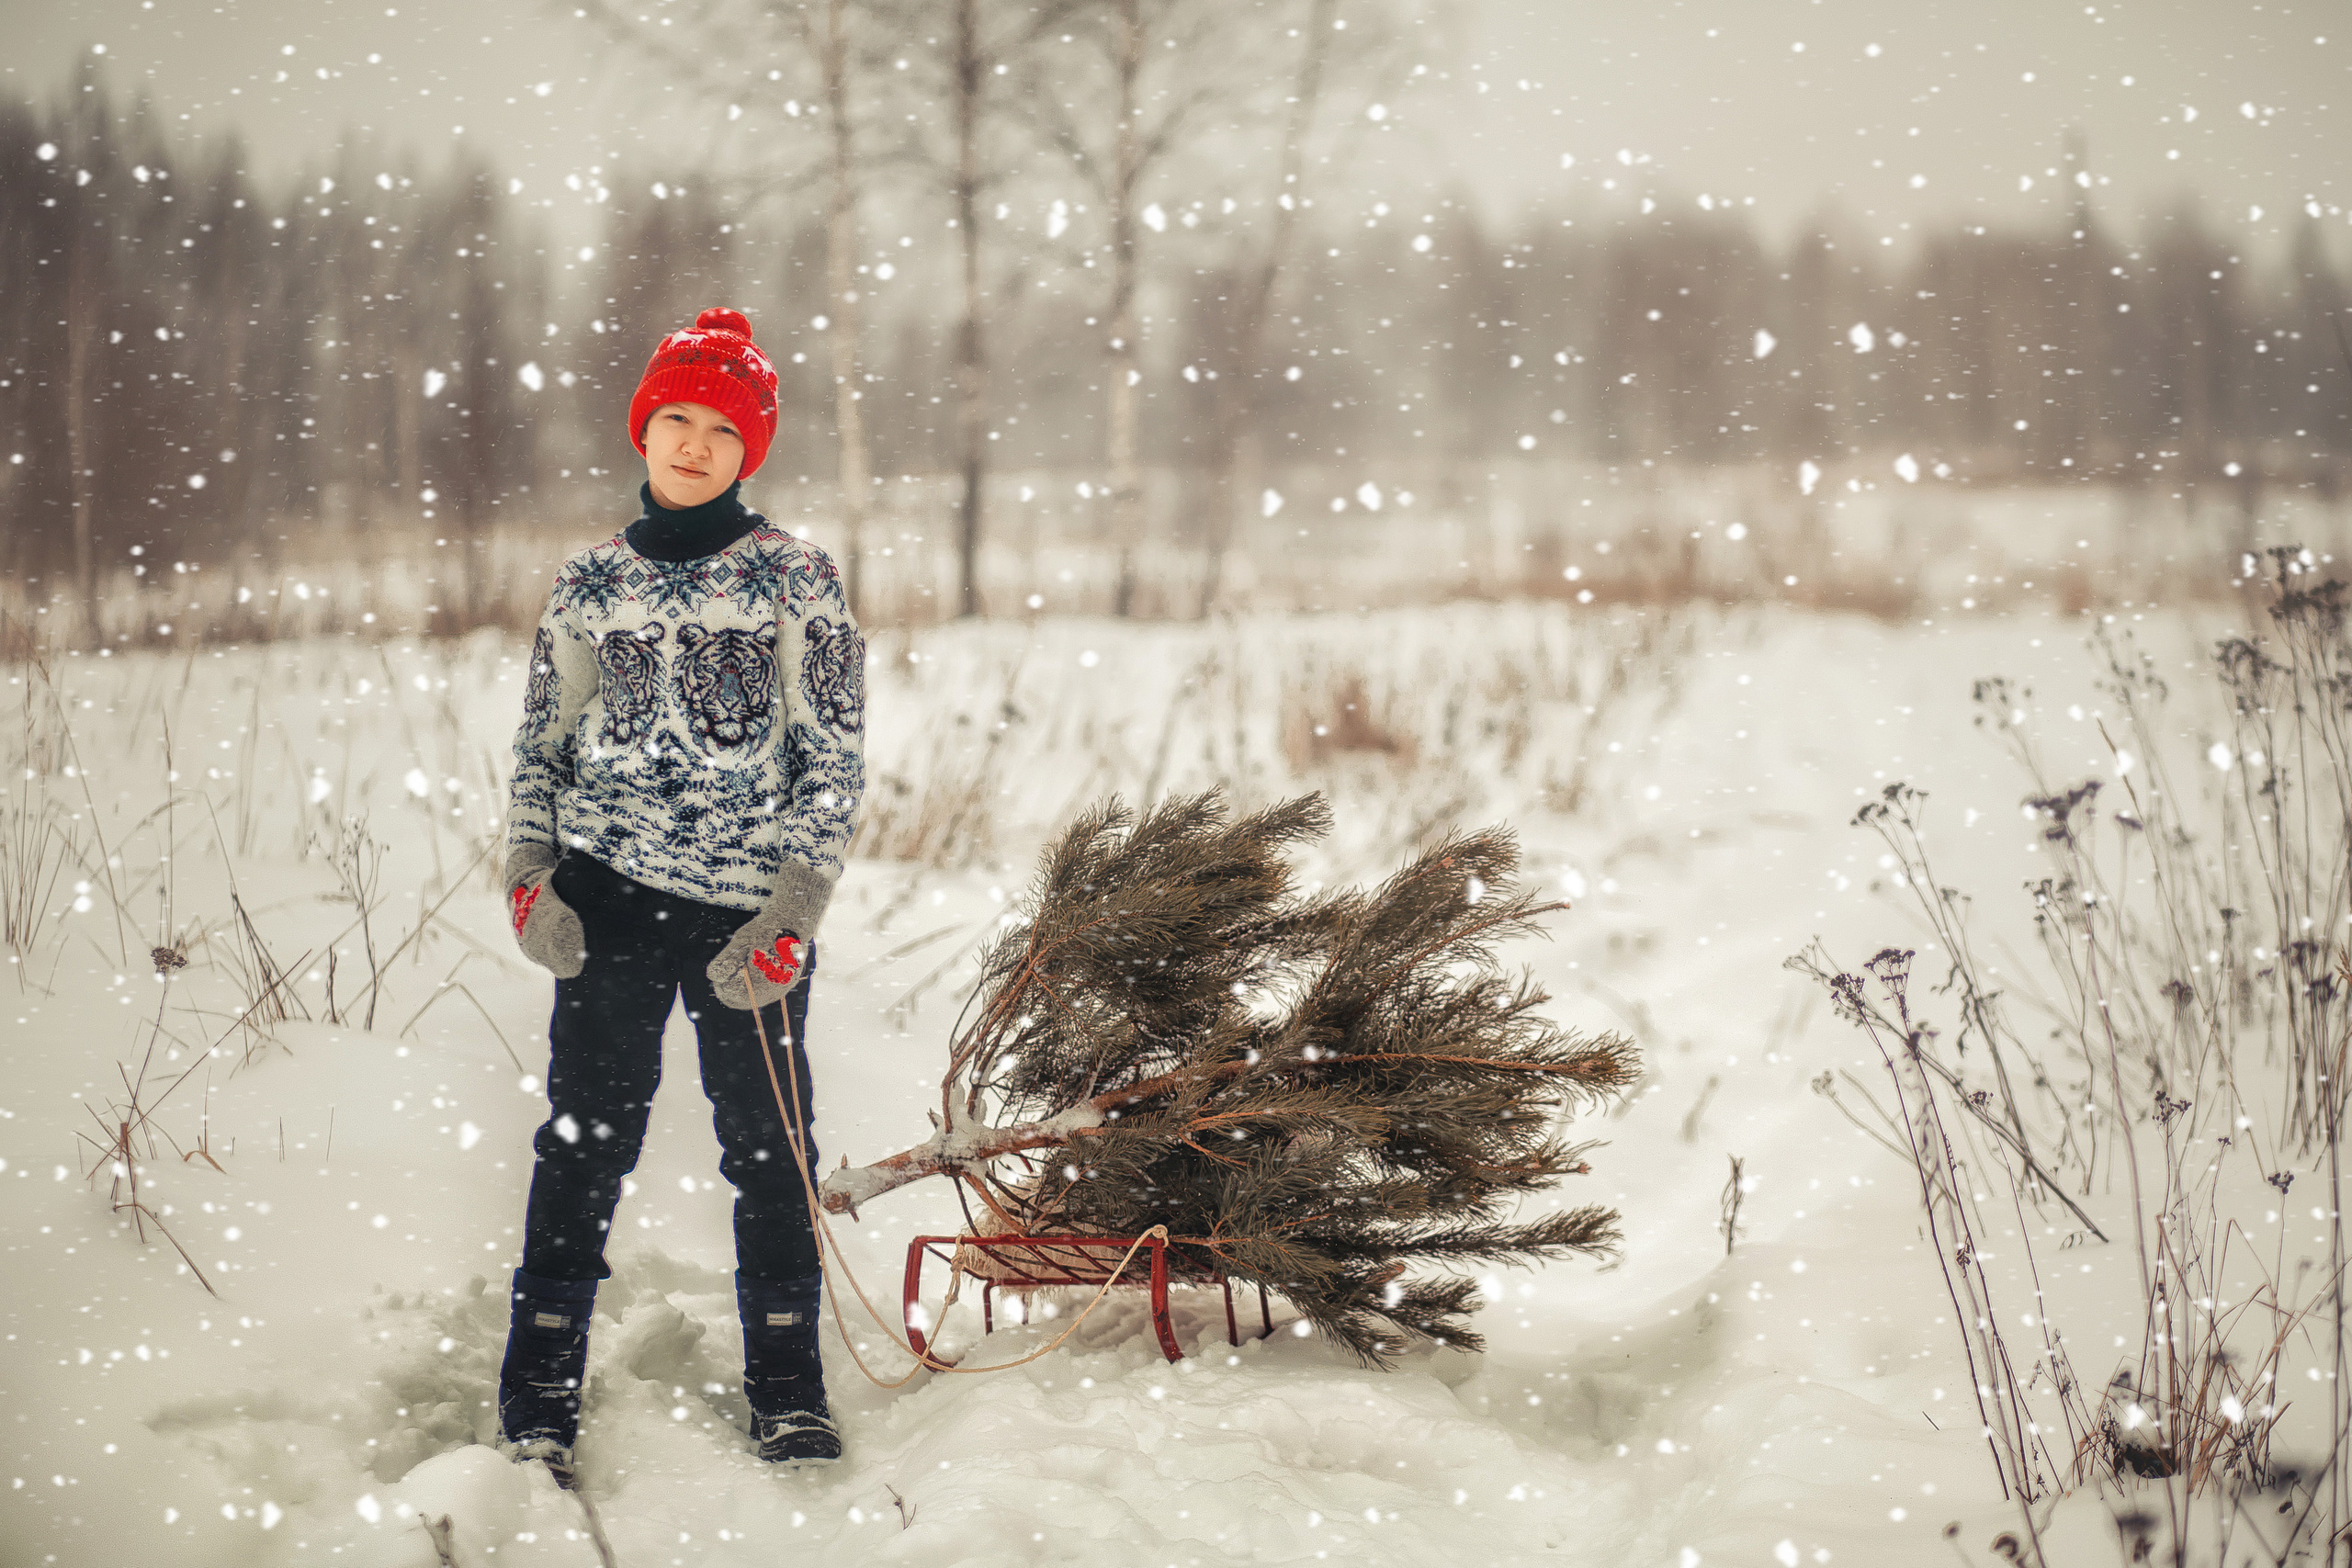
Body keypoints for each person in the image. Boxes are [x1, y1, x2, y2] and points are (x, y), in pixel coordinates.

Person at [496, 306, 865, 1480]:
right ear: (642, 430)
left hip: (745, 918)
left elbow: (833, 752)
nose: (693, 444)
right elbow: (541, 740)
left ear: (750, 448)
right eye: (674, 420)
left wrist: (793, 909)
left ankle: (789, 1390)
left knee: (771, 1151)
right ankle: (537, 1394)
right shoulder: (591, 580)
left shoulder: (793, 576)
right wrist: (527, 876)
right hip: (603, 898)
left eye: (720, 427)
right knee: (581, 1145)